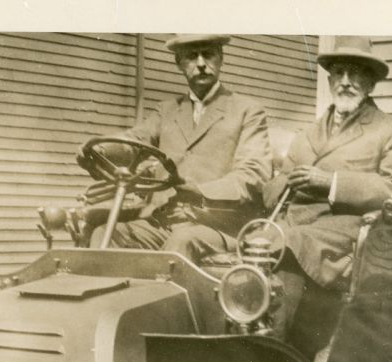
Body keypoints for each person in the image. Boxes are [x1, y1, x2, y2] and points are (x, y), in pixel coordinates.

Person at [262, 36, 392, 354]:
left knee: (290, 244)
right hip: (293, 225)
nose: (346, 82)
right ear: (331, 79)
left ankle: (270, 353)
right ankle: (242, 339)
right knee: (251, 247)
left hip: (347, 233)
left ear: (371, 83)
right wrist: (286, 180)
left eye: (356, 73)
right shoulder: (307, 135)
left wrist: (330, 182)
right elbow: (271, 195)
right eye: (339, 73)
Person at [90, 34, 272, 258]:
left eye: (208, 54)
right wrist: (99, 150)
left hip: (218, 227)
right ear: (179, 63)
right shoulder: (167, 110)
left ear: (221, 58)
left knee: (180, 246)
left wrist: (201, 192)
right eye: (192, 56)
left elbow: (253, 174)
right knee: (107, 234)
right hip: (164, 223)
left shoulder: (247, 110)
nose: (201, 64)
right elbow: (135, 141)